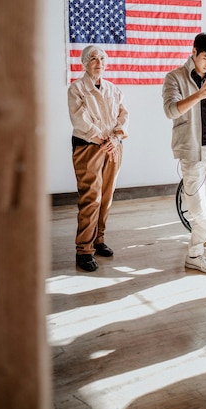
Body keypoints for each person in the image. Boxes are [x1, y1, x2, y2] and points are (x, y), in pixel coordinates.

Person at [162, 32, 206, 274]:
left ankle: (195, 254)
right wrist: (199, 94)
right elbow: (170, 110)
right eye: (205, 58)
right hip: (192, 150)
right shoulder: (175, 78)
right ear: (194, 52)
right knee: (196, 209)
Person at [68, 45, 129, 272]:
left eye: (102, 58)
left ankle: (98, 239)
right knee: (91, 198)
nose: (98, 62)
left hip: (113, 147)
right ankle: (83, 249)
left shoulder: (113, 90)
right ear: (84, 63)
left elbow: (123, 115)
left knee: (106, 196)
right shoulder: (76, 89)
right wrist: (105, 139)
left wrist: (115, 138)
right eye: (93, 58)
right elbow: (81, 120)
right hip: (89, 148)